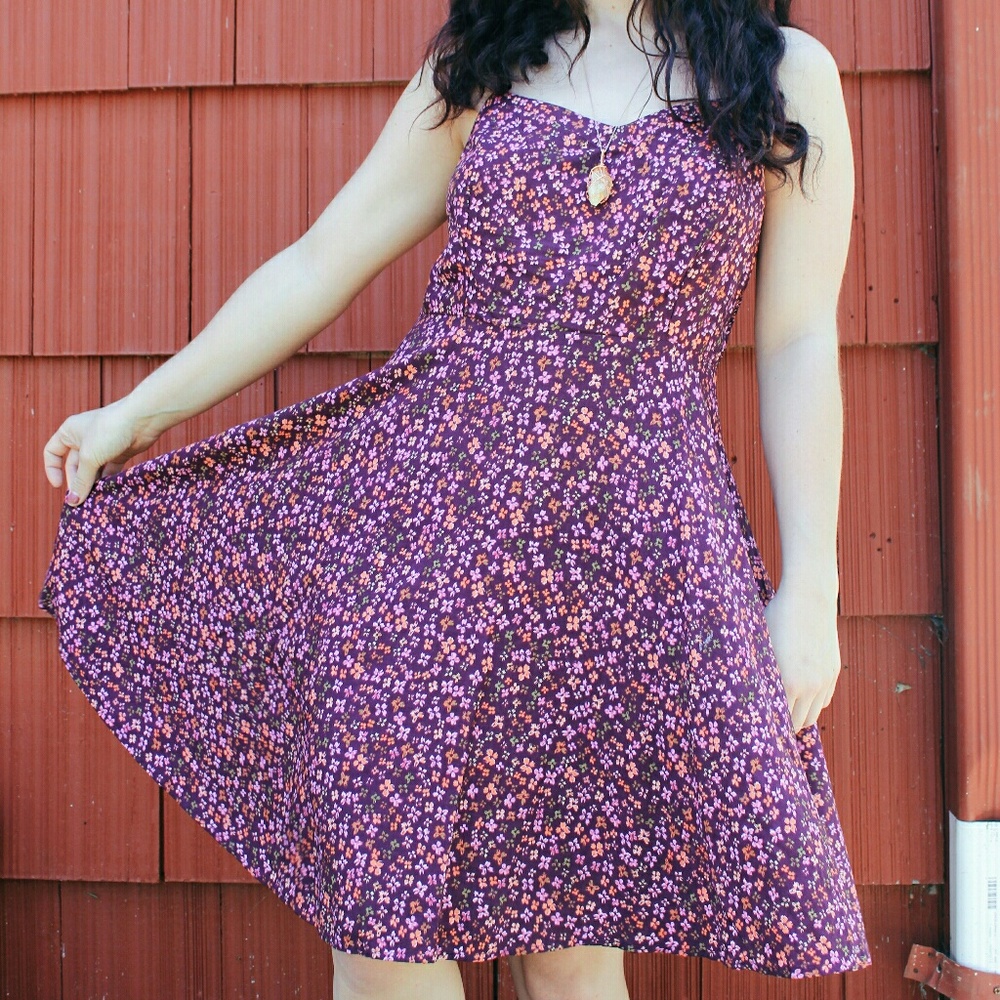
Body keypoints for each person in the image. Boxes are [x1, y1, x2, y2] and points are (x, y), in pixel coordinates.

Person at [38, 0, 869, 998]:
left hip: (626, 570)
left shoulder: (785, 75)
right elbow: (321, 259)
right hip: (421, 549)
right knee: (391, 944)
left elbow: (798, 342)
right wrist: (140, 411)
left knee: (568, 951)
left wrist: (811, 581)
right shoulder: (482, 61)